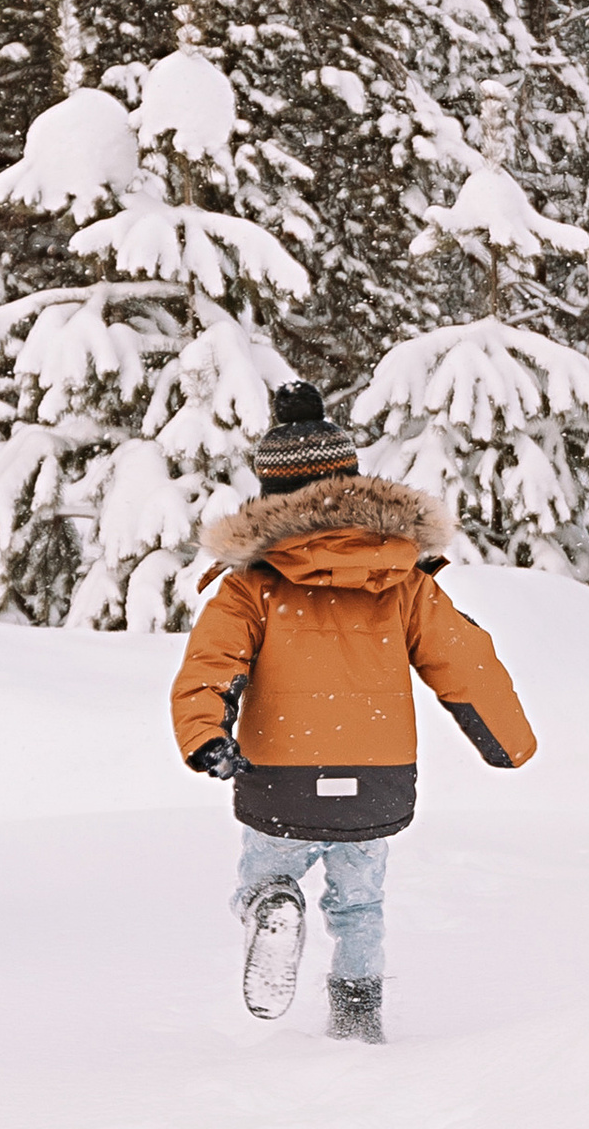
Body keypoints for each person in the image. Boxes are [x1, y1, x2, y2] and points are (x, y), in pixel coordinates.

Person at [170, 381, 536, 1040]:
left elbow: (211, 663)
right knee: (361, 906)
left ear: (272, 496)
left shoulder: (252, 582)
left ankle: (269, 903)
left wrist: (205, 735)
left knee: (265, 874)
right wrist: (507, 742)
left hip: (281, 773)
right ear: (351, 482)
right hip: (376, 777)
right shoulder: (402, 578)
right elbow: (465, 660)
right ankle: (357, 1018)